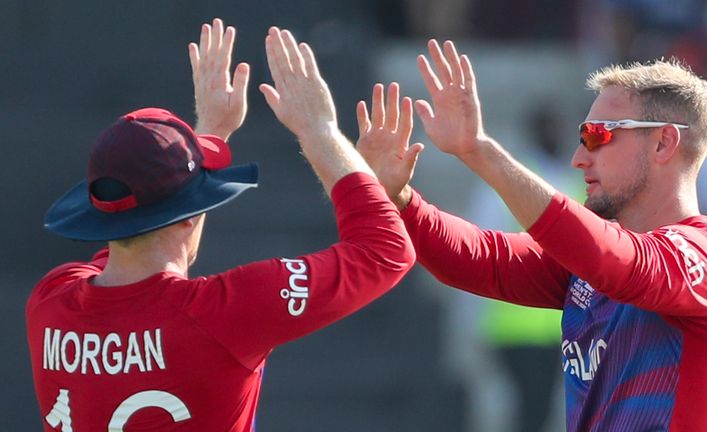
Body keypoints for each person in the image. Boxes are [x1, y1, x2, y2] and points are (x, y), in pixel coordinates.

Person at [26, 20, 415, 431]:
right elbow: (386, 251)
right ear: (190, 216)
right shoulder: (228, 313)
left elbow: (134, 249)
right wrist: (319, 131)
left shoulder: (50, 302)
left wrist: (210, 135)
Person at [356, 40, 707, 431]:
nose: (579, 157)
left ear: (664, 142)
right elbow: (479, 259)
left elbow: (622, 262)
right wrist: (400, 198)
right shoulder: (595, 265)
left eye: (598, 135)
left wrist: (479, 151)